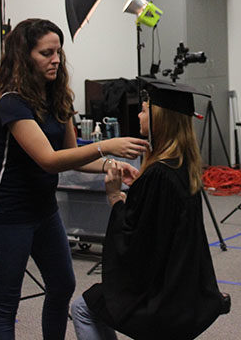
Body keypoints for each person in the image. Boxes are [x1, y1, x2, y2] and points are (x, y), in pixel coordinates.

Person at [0, 18, 149, 340]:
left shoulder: (57, 97)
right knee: (6, 302)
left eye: (58, 52)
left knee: (61, 285)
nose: (55, 59)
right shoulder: (12, 103)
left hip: (43, 211)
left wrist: (109, 164)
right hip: (8, 214)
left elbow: (72, 153)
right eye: (46, 53)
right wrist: (106, 146)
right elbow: (49, 160)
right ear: (24, 57)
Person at [70, 78, 230, 340]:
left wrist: (115, 198)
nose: (139, 114)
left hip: (161, 302)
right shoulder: (182, 167)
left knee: (83, 307)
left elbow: (133, 245)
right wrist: (136, 192)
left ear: (159, 117)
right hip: (184, 291)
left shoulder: (157, 175)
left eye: (144, 109)